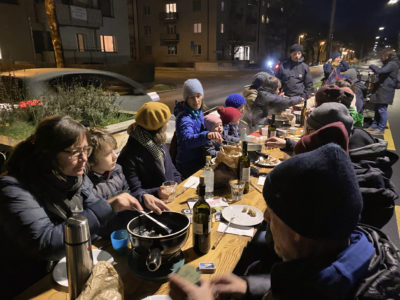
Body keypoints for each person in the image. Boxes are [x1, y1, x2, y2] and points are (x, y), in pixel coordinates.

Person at [169, 144, 400, 300]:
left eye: (273, 211)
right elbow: (303, 283)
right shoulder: (360, 247)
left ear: (297, 229)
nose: (266, 217)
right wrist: (250, 287)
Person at [0, 116, 139, 298]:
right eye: (75, 152)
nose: (84, 159)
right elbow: (45, 243)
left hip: (71, 268)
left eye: (86, 150)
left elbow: (95, 214)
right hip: (33, 284)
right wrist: (109, 206)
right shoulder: (13, 188)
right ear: (48, 155)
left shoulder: (75, 177)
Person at [118, 102, 179, 212]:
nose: (168, 124)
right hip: (153, 211)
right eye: (166, 121)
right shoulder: (130, 154)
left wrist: (179, 185)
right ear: (158, 126)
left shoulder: (157, 142)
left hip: (172, 201)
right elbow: (134, 191)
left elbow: (171, 169)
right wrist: (158, 192)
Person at [174, 79, 222, 178]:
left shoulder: (198, 112)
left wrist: (214, 130)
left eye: (198, 96)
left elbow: (202, 131)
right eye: (192, 97)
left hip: (201, 159)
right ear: (186, 99)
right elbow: (188, 140)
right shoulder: (184, 118)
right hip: (188, 165)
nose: (196, 101)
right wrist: (207, 135)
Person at [366, 48, 399, 135]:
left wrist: (372, 66)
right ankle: (374, 125)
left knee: (382, 109)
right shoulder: (388, 63)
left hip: (386, 90)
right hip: (381, 89)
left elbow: (380, 71)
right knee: (377, 108)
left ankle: (381, 129)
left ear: (387, 56)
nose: (381, 57)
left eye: (382, 56)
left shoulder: (392, 64)